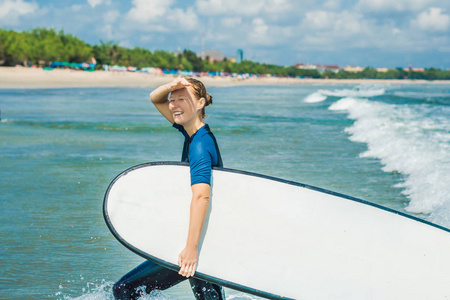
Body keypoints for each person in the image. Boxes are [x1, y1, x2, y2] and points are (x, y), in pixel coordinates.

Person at [112, 76, 225, 300]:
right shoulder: (192, 133)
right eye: (173, 99)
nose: (173, 104)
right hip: (205, 237)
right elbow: (156, 98)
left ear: (200, 103)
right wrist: (172, 86)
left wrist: (191, 248)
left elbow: (202, 196)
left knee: (125, 289)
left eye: (182, 99)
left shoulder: (200, 145)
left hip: (196, 243)